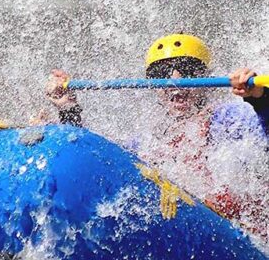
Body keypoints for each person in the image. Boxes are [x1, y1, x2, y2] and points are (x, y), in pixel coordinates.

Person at [46, 34, 268, 234]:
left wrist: (258, 96)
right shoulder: (147, 141)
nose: (175, 80)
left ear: (206, 78)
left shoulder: (229, 118)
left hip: (242, 237)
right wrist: (69, 111)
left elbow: (262, 128)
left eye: (187, 70)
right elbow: (99, 165)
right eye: (162, 73)